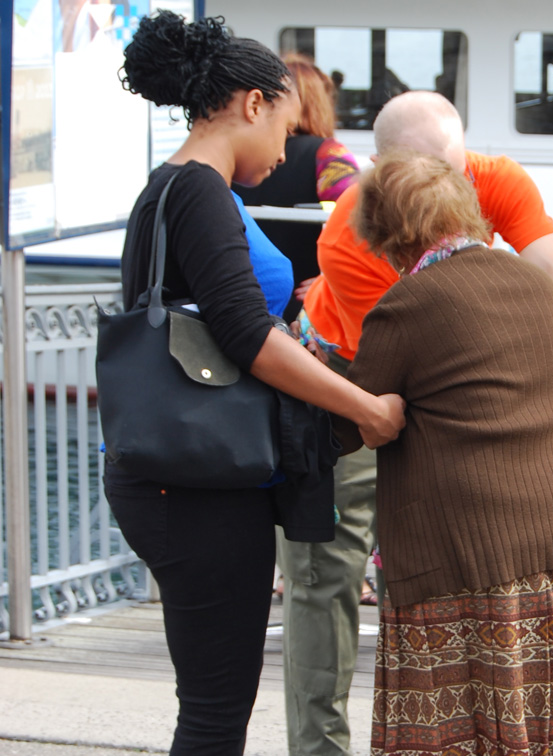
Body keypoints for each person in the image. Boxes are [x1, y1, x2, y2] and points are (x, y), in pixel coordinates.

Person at [111, 12, 405, 754]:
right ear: (253, 102)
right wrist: (365, 407)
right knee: (214, 714)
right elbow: (248, 336)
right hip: (200, 487)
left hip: (180, 480)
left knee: (210, 705)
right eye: (284, 121)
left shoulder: (169, 188)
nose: (285, 147)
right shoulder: (200, 191)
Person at [280, 89, 553, 756]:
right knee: (326, 573)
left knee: (460, 574)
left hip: (423, 388)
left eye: (453, 171)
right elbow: (390, 395)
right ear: (382, 167)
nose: (445, 187)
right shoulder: (346, 233)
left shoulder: (499, 176)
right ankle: (319, 747)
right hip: (360, 376)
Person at [337, 149, 553, 756]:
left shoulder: (406, 306)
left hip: (461, 551)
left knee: (466, 728)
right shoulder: (533, 281)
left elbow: (353, 424)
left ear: (389, 234)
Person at [235, 54, 361, 322]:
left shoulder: (238, 155)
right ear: (319, 103)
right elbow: (369, 220)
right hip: (300, 310)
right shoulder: (327, 154)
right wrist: (333, 279)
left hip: (239, 300)